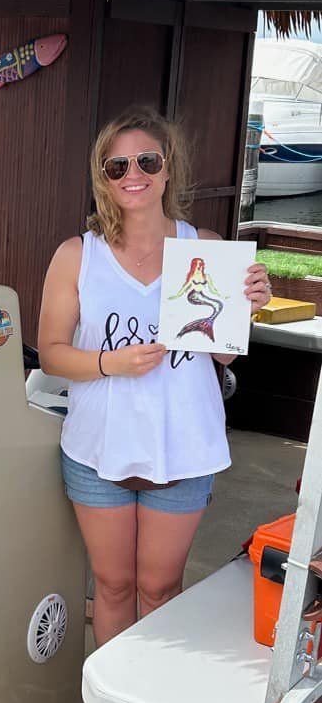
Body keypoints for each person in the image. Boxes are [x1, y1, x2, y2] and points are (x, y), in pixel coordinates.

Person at [38, 107, 271, 648]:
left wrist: (246, 308)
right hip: (99, 448)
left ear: (168, 170)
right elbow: (50, 354)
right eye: (116, 166)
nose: (133, 174)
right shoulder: (78, 256)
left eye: (146, 160)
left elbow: (224, 358)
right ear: (103, 178)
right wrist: (109, 363)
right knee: (113, 587)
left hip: (183, 448)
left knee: (161, 589)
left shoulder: (206, 250)